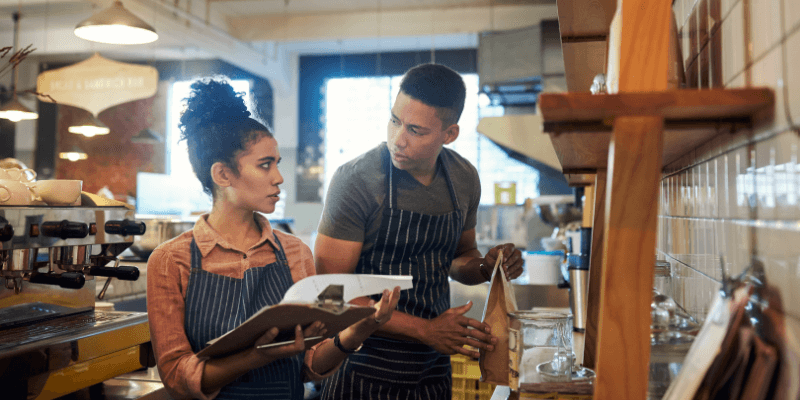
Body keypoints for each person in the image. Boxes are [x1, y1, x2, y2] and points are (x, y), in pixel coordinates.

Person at [146, 77, 401, 400]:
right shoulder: (171, 260)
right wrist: (257, 356)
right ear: (222, 174)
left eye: (276, 164)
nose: (279, 178)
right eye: (265, 165)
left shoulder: (295, 252)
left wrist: (359, 330)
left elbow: (310, 363)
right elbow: (177, 377)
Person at [314, 63, 524, 399]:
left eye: (416, 130)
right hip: (362, 364)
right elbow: (329, 293)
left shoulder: (463, 178)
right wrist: (425, 329)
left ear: (450, 134)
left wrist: (486, 266)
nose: (398, 139)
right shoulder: (357, 180)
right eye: (394, 120)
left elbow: (457, 258)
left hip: (432, 370)